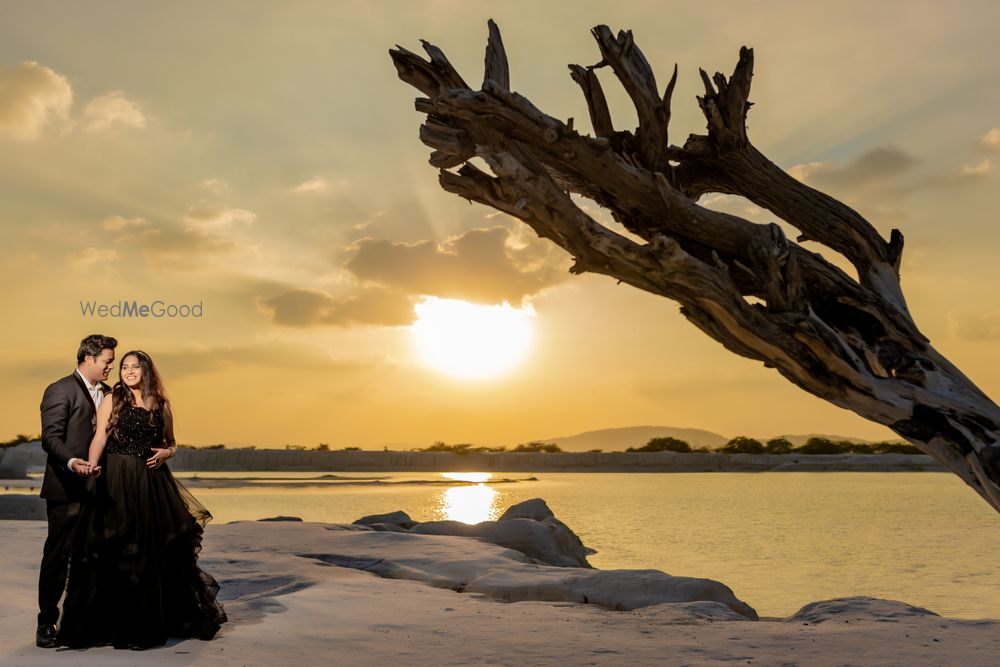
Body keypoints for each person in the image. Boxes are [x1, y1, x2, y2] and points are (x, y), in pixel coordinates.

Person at [55, 350, 227, 649]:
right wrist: (92, 467)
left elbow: (171, 442)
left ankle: (142, 627)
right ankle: (104, 625)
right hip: (114, 479)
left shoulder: (160, 404)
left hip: (150, 484)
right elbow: (99, 438)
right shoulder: (113, 399)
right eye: (124, 366)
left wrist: (167, 453)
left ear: (146, 371)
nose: (128, 371)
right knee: (112, 549)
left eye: (135, 367)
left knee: (148, 551)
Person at [37, 334, 117, 648]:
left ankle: (88, 621)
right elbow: (50, 438)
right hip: (65, 489)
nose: (111, 366)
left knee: (96, 556)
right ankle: (46, 623)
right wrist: (72, 462)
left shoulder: (111, 394)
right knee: (58, 557)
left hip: (102, 489)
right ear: (88, 358)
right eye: (107, 360)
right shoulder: (59, 389)